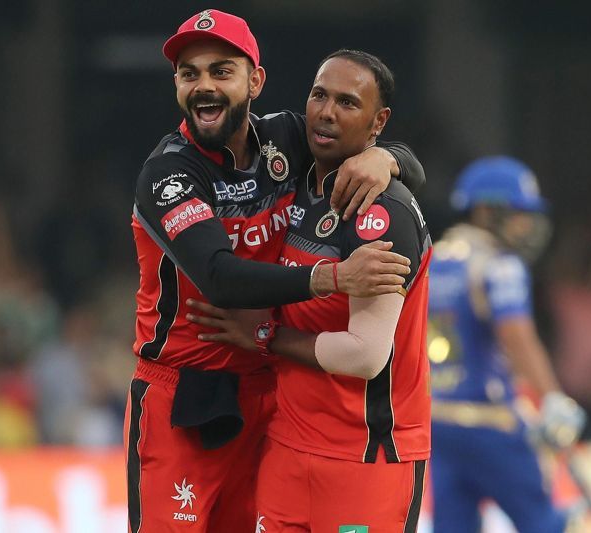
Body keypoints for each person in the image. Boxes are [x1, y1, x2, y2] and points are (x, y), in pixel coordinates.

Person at [126, 9, 426, 533]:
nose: (204, 87)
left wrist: (387, 159)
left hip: (269, 396)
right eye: (190, 74)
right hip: (183, 394)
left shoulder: (287, 139)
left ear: (255, 81)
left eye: (221, 71)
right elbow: (220, 277)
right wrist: (333, 278)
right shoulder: (169, 172)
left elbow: (377, 147)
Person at [426, 156, 586, 532]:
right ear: (484, 211)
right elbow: (517, 335)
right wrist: (551, 400)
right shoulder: (499, 264)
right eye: (517, 213)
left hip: (438, 422)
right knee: (547, 523)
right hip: (492, 419)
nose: (526, 224)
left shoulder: (433, 258)